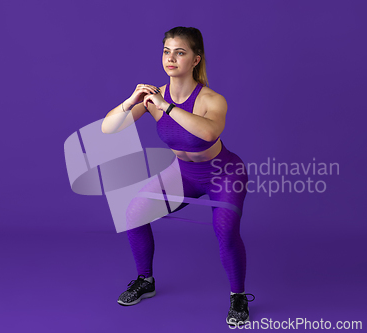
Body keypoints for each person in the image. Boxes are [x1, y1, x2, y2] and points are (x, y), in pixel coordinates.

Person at [101, 26, 254, 326]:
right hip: (183, 173)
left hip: (224, 174)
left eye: (180, 52)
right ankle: (145, 280)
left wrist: (166, 106)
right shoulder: (152, 98)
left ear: (196, 59)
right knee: (133, 213)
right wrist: (131, 101)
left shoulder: (212, 100)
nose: (171, 58)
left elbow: (209, 133)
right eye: (166, 51)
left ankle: (238, 297)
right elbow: (108, 129)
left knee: (225, 231)